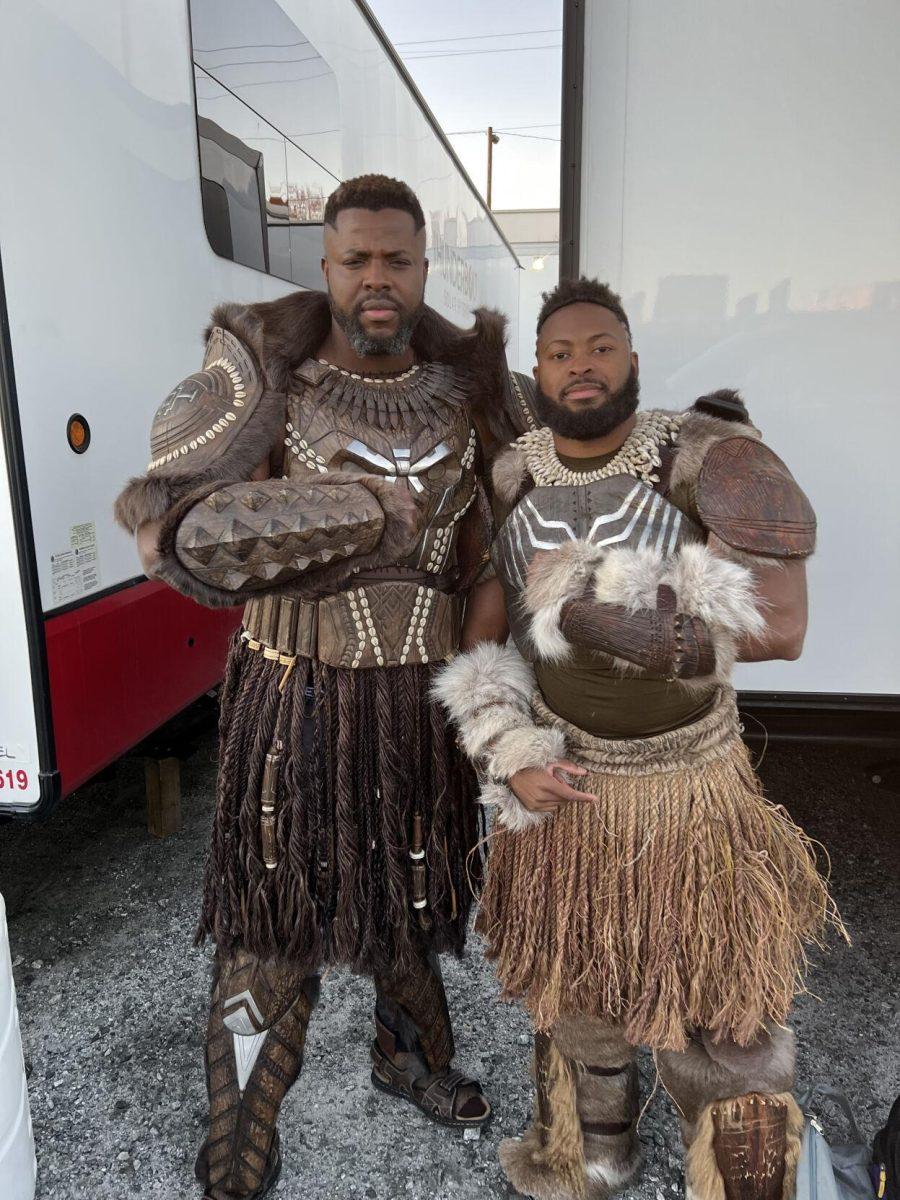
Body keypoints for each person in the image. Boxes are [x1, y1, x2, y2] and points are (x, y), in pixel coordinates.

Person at [115, 174, 538, 1200]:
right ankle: (241, 1135)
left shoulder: (474, 387)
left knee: (410, 888)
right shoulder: (265, 378)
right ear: (328, 265)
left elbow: (496, 552)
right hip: (292, 696)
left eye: (398, 259)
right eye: (358, 260)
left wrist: (482, 689)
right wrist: (329, 514)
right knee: (273, 918)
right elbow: (173, 533)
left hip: (415, 700)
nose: (378, 279)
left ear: (423, 266)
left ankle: (409, 1059)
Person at [436, 277, 843, 1200]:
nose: (582, 366)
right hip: (567, 780)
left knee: (725, 998)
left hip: (690, 788)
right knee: (575, 982)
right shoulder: (512, 475)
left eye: (600, 347)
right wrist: (511, 756)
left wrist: (593, 607)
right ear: (536, 370)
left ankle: (741, 1179)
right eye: (561, 353)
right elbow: (486, 635)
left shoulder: (711, 456)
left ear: (631, 356)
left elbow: (780, 627)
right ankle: (591, 1153)